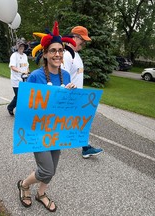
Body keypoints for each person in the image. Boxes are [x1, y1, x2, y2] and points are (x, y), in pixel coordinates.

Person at [17, 21, 76, 212]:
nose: (57, 54)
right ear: (45, 53)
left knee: (53, 169)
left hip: (57, 129)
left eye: (60, 50)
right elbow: (25, 106)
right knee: (46, 169)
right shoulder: (35, 76)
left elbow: (67, 108)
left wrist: (70, 95)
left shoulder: (66, 76)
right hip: (38, 130)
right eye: (53, 50)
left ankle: (41, 193)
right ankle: (24, 184)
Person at [62, 26, 103, 159]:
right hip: (69, 98)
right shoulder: (67, 56)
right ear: (74, 38)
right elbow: (63, 77)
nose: (84, 43)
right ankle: (84, 148)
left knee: (77, 122)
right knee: (71, 122)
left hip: (77, 97)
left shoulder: (76, 55)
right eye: (82, 40)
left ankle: (85, 148)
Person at [7, 39, 29, 116]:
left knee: (23, 95)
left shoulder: (25, 56)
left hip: (24, 79)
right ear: (17, 47)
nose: (21, 48)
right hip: (16, 80)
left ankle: (20, 110)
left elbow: (27, 66)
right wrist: (21, 71)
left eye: (23, 46)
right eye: (20, 46)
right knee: (19, 96)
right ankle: (10, 107)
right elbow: (12, 67)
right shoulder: (14, 55)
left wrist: (27, 72)